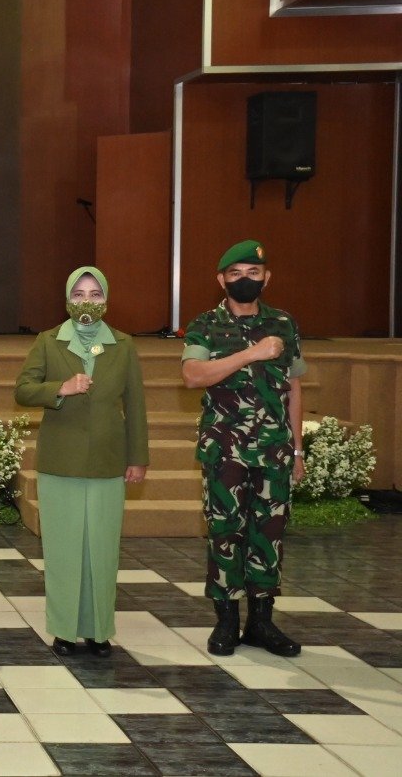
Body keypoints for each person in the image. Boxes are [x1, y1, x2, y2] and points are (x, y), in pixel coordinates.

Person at [14, 267, 148, 657]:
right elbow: (22, 390)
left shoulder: (123, 345)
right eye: (79, 293)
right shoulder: (47, 341)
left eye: (93, 294)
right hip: (61, 464)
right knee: (64, 550)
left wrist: (138, 456)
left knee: (103, 549)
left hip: (108, 462)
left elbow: (136, 406)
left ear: (104, 299)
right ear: (68, 299)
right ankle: (64, 630)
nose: (86, 301)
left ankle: (99, 630)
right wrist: (61, 388)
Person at [181, 240, 305, 658]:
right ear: (221, 279)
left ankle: (262, 622)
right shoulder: (205, 325)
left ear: (267, 277)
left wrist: (298, 449)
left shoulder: (284, 324)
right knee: (225, 533)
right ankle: (227, 621)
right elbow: (194, 375)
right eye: (235, 273)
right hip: (226, 450)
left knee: (269, 534)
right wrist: (252, 352)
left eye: (253, 272)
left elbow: (294, 388)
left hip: (273, 450)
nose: (244, 279)